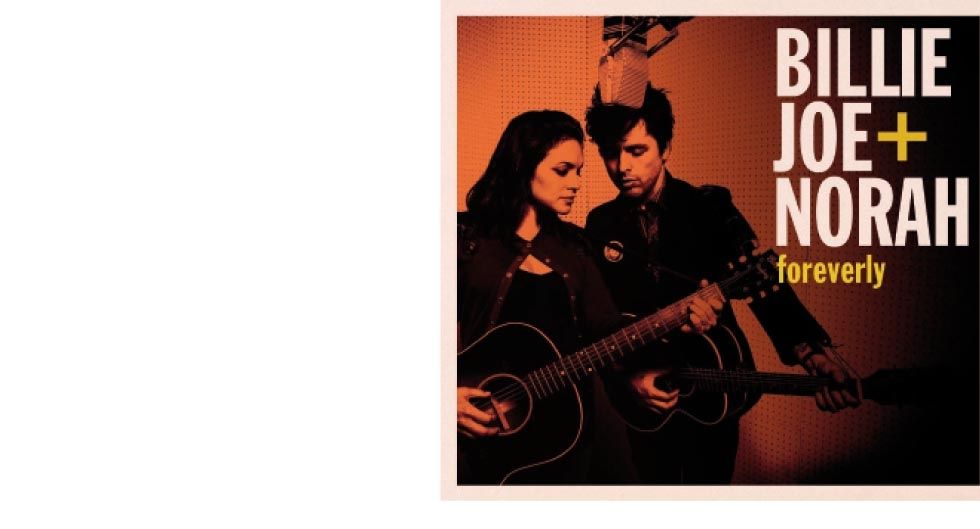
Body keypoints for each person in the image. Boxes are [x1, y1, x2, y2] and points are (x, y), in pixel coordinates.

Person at [583, 85, 861, 484]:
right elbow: (600, 324)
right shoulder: (599, 224)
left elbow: (767, 287)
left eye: (636, 151)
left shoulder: (709, 206)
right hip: (646, 401)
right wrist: (626, 383)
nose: (622, 166)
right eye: (610, 153)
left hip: (712, 389)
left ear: (666, 148)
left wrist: (813, 354)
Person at [456, 109, 721, 484]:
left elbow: (607, 330)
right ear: (522, 165)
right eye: (563, 170)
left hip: (565, 439)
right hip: (478, 439)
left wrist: (674, 326)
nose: (576, 183)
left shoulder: (577, 247)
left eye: (578, 171)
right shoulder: (462, 237)